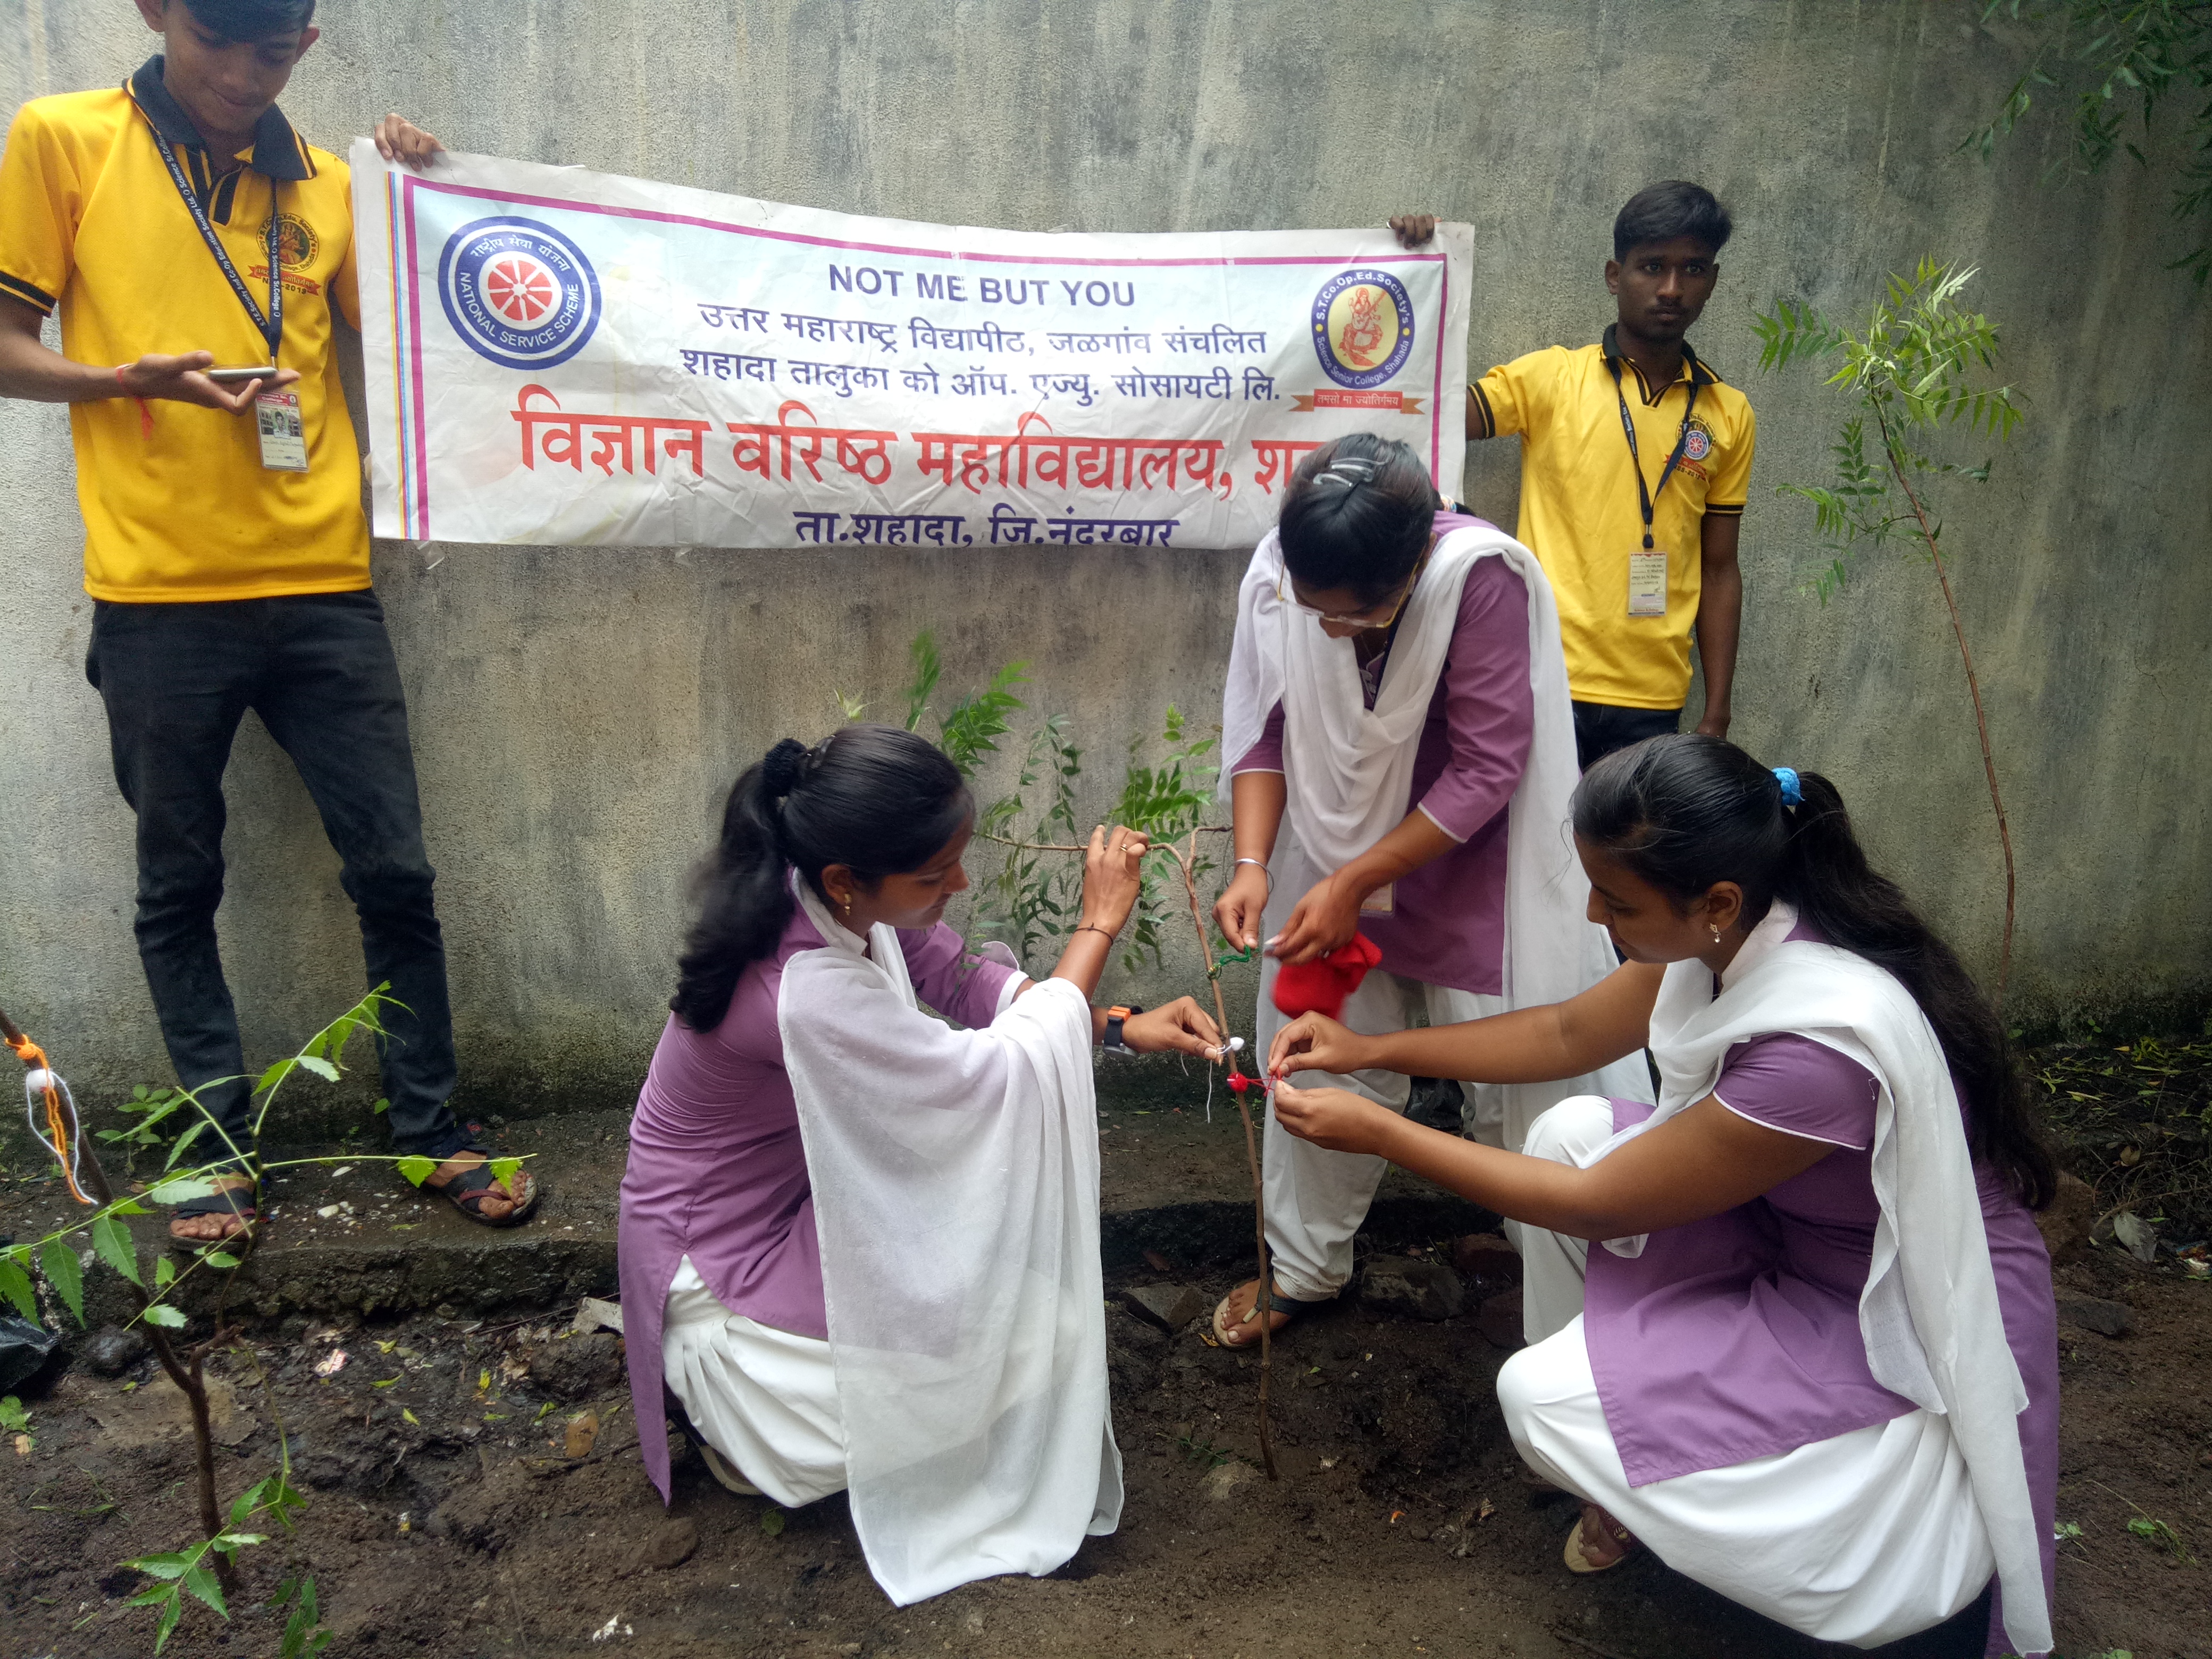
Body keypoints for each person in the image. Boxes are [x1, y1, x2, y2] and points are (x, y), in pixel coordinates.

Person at [1265, 735, 2058, 1659]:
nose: (1595, 914)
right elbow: (1569, 1033)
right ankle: (1631, 1469)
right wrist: (1369, 1051)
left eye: (1617, 900)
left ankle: (1834, 1537)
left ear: (1713, 902)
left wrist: (1385, 1132)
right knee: (1568, 1132)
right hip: (1796, 1231)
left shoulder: (1813, 1053)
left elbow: (1599, 1206)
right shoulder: (1732, 928)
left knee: (1539, 1399)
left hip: (1893, 1302)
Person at [0, 1, 533, 1241]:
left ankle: (429, 1129)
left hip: (323, 589)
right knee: (178, 882)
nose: (243, 74)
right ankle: (216, 1147)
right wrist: (116, 379)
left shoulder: (333, 186)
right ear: (156, 10)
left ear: (308, 41)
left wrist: (426, 198)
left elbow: (436, 337)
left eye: (273, 50)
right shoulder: (64, 139)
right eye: (217, 41)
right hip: (156, 597)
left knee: (396, 873)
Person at [617, 725, 1222, 1605]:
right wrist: (1097, 925)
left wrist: (1118, 1026)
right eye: (937, 876)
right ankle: (738, 1428)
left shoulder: (820, 888)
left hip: (785, 1206)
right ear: (846, 879)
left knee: (1010, 1307)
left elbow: (963, 980)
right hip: (718, 1265)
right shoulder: (810, 990)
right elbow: (991, 1076)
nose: (960, 886)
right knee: (1024, 1336)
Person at [1209, 434, 1650, 1350]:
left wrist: (1359, 879)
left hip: (1472, 867)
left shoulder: (1479, 579)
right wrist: (1254, 864)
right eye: (1314, 612)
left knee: (1522, 1085)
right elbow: (1267, 725)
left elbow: (1490, 764)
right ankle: (1304, 1265)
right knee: (1313, 1060)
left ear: (1411, 570)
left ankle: (1577, 1286)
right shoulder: (1286, 574)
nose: (1329, 632)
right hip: (1329, 856)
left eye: (1351, 617)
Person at [1392, 182, 1755, 769]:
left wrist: (1717, 713)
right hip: (1539, 674)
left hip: (1654, 697)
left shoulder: (1728, 414)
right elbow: (1425, 416)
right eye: (1652, 267)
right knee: (1521, 831)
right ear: (1615, 275)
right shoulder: (1552, 379)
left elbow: (1718, 568)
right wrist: (1415, 274)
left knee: (1620, 835)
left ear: (1712, 280)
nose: (1671, 288)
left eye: (1691, 269)